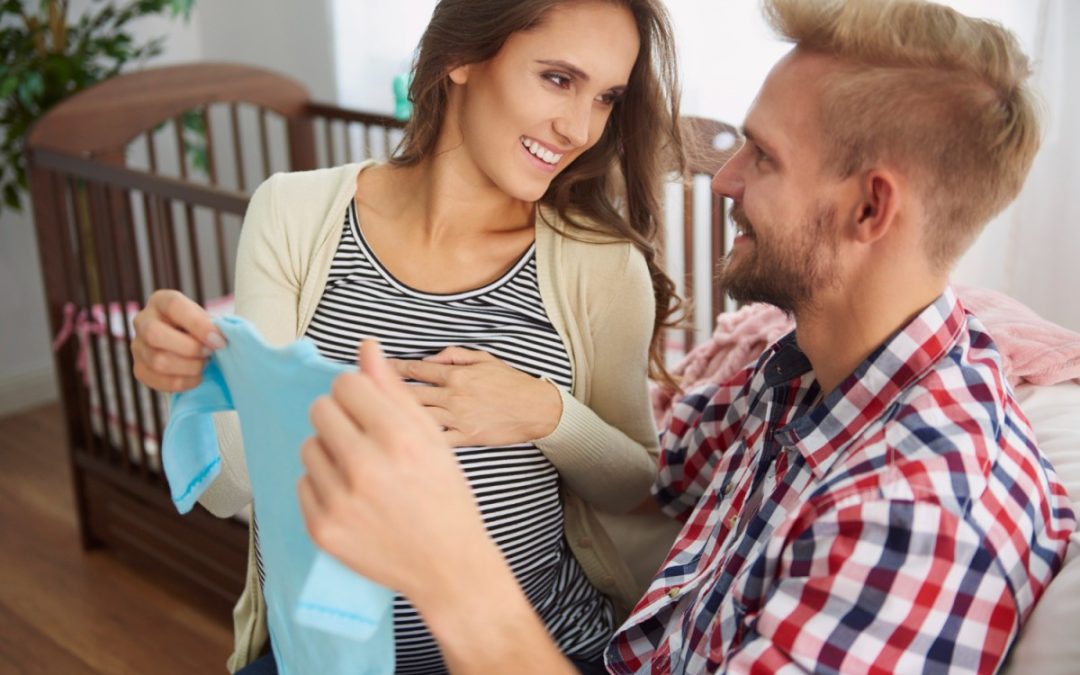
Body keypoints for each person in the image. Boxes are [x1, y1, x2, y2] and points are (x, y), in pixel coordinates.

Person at [296, 0, 1077, 672]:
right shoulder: (807, 371)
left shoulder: (916, 524)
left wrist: (447, 565)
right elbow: (660, 468)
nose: (725, 177)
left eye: (763, 157)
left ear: (871, 210)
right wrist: (539, 407)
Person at [131, 0, 688, 672]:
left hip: (539, 649)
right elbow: (224, 488)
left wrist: (542, 411)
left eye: (606, 98)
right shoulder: (293, 213)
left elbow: (632, 482)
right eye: (558, 79)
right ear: (461, 57)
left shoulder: (600, 266)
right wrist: (210, 374)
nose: (579, 129)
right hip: (323, 657)